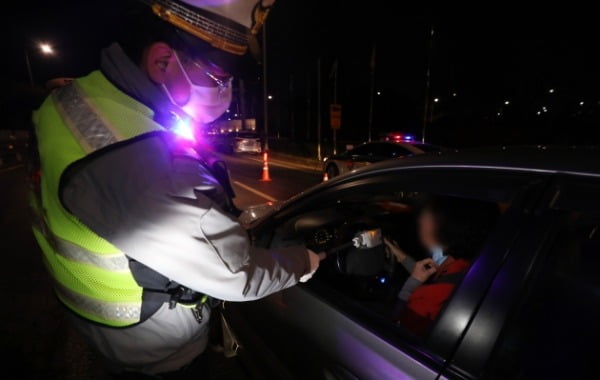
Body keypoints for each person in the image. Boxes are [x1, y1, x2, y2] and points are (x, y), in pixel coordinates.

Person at [29, 0, 323, 376]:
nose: (227, 91)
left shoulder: (77, 100)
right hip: (154, 353)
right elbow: (236, 276)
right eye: (219, 78)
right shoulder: (141, 167)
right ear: (162, 61)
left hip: (94, 320)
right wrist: (306, 261)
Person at [384, 196, 499, 335]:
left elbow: (397, 330)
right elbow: (428, 271)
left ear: (448, 226)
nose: (421, 220)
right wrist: (399, 254)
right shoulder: (468, 262)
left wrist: (409, 288)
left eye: (428, 216)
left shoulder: (429, 298)